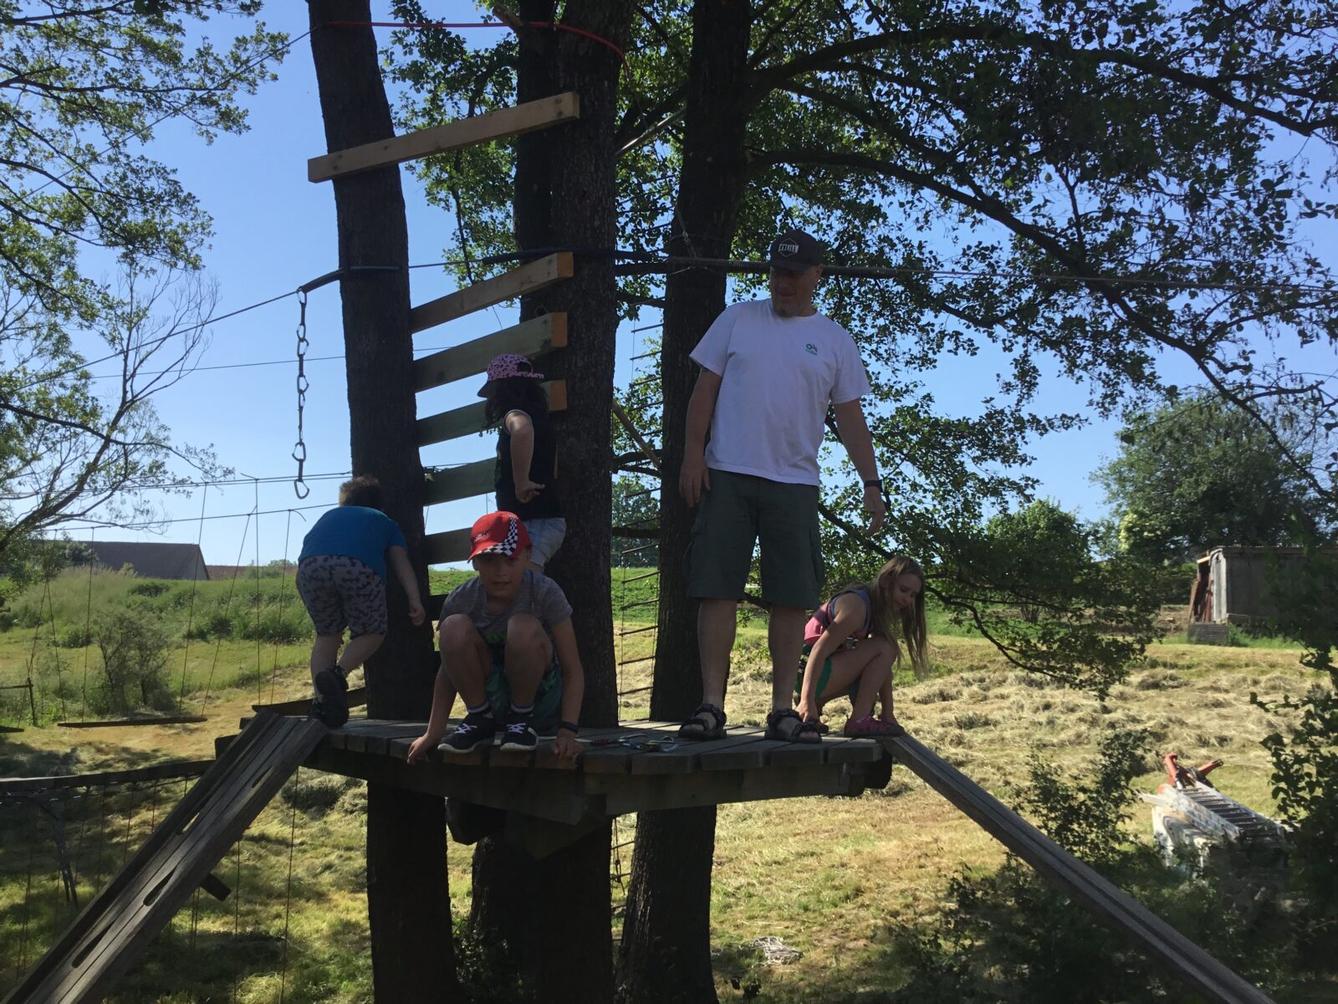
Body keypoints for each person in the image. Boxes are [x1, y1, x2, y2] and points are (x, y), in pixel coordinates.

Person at [678, 228, 886, 743]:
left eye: (794, 274)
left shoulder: (836, 340)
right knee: (716, 589)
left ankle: (782, 710)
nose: (783, 283)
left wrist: (872, 483)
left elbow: (851, 417)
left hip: (794, 483)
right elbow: (704, 391)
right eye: (776, 272)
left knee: (792, 598)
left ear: (817, 275)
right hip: (726, 472)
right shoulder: (738, 318)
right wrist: (692, 456)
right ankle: (710, 705)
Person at [407, 511, 583, 762]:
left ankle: (521, 720)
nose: (501, 571)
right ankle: (480, 718)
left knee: (521, 626)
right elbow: (447, 669)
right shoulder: (462, 599)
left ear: (527, 555)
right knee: (452, 626)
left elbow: (572, 668)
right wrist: (433, 731)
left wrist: (568, 730)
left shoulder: (544, 592)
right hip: (492, 698)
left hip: (539, 704)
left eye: (510, 560)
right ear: (475, 562)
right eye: (489, 560)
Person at [296, 476, 425, 728]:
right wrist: (414, 598)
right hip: (356, 567)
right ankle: (338, 674)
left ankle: (323, 704)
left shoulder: (329, 516)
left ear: (345, 502)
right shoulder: (384, 521)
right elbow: (401, 564)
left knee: (327, 635)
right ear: (380, 504)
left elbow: (309, 547)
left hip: (310, 568)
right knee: (372, 632)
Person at [795, 556, 927, 739]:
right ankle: (859, 720)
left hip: (813, 673)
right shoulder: (857, 607)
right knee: (886, 647)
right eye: (904, 590)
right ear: (886, 581)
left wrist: (888, 715)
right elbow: (819, 649)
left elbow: (882, 670)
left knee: (883, 653)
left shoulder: (874, 612)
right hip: (806, 669)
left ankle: (850, 711)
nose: (908, 600)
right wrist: (806, 701)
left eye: (913, 595)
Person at [478, 352, 565, 572]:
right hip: (540, 516)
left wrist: (521, 482)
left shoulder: (515, 415)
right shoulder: (543, 421)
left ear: (502, 389)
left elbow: (522, 431)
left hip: (535, 518)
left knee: (525, 579)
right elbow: (552, 467)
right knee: (520, 579)